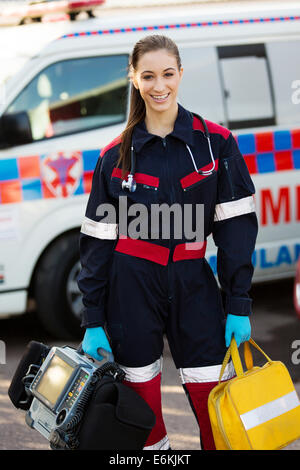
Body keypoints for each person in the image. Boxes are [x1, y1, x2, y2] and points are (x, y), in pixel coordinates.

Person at [77, 34, 258, 451]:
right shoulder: (113, 157)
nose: (160, 86)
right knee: (141, 412)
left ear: (180, 74)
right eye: (148, 76)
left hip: (194, 284)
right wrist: (92, 319)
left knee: (216, 400)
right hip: (131, 288)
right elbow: (98, 243)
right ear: (134, 79)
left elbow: (236, 231)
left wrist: (238, 304)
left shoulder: (216, 144)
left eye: (168, 74)